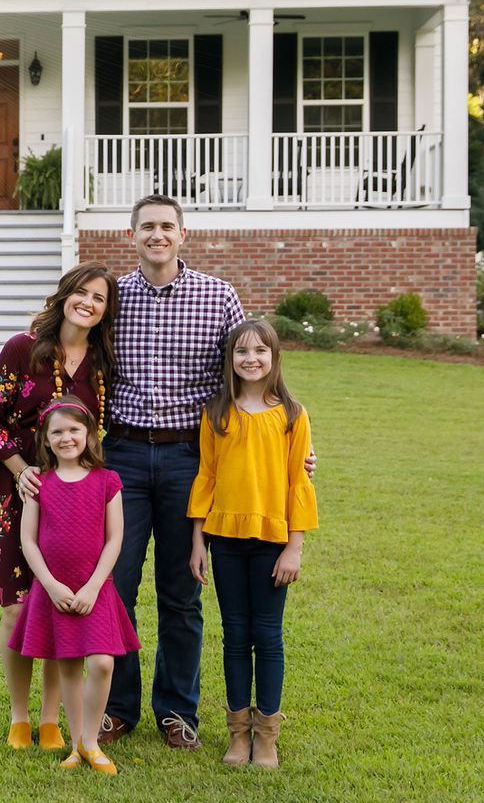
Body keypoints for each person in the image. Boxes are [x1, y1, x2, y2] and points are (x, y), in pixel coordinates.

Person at [21, 195, 311, 751]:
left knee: (182, 592)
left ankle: (177, 711)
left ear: (183, 234)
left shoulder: (217, 296)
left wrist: (288, 444)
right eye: (147, 227)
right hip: (124, 456)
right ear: (132, 236)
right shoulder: (116, 298)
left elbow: (248, 373)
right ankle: (119, 708)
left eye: (167, 227)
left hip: (190, 459)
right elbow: (72, 357)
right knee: (116, 584)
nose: (157, 235)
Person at [0, 263, 118, 751]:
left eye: (98, 298)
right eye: (81, 293)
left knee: (61, 607)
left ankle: (52, 719)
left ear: (104, 310)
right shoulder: (23, 349)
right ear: (64, 296)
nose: (88, 303)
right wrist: (22, 471)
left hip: (73, 503)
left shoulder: (100, 363)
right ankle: (19, 716)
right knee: (16, 609)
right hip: (19, 493)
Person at [189, 319, 317, 769]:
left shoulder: (292, 415)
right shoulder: (216, 413)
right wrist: (197, 541)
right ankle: (238, 734)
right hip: (224, 539)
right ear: (230, 360)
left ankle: (267, 736)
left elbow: (298, 482)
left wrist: (294, 546)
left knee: (268, 635)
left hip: (271, 541)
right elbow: (206, 477)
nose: (251, 359)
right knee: (235, 637)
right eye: (242, 351)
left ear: (274, 357)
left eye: (260, 351)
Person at [7, 397, 140, 775]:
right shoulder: (39, 485)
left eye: (74, 430)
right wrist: (50, 586)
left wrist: (93, 586)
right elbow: (28, 541)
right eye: (58, 432)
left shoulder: (107, 481)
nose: (67, 438)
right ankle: (77, 744)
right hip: (55, 592)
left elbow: (115, 539)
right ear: (46, 440)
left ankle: (90, 740)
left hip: (94, 590)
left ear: (89, 435)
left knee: (101, 662)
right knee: (67, 666)